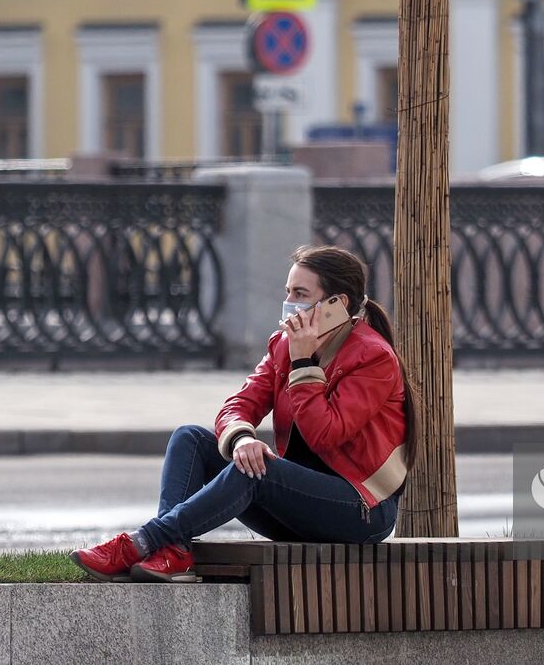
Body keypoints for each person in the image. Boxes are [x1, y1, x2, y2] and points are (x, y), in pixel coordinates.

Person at [69, 244, 415, 583]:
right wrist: (242, 438)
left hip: (360, 512)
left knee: (258, 471)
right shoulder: (283, 345)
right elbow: (239, 405)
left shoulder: (373, 357)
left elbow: (325, 433)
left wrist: (303, 364)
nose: (290, 302)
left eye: (301, 293)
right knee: (191, 438)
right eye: (288, 291)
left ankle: (141, 543)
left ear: (336, 305)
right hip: (298, 501)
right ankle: (174, 550)